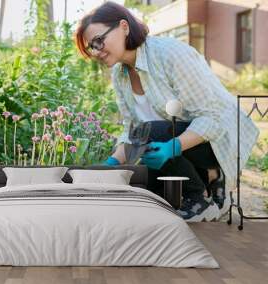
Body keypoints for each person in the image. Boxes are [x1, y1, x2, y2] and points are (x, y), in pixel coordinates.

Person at [75, 1, 259, 222]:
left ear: (124, 26)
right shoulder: (120, 75)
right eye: (90, 47)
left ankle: (200, 198)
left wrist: (173, 147)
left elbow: (213, 117)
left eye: (98, 40)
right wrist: (110, 165)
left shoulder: (169, 54)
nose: (96, 51)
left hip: (222, 139)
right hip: (174, 139)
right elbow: (131, 130)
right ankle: (209, 178)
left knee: (149, 132)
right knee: (147, 188)